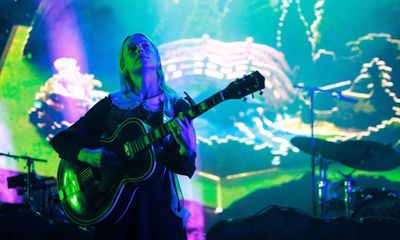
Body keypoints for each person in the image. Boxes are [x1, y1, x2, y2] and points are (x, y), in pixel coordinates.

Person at [50, 33, 197, 240]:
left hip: (158, 215)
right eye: (132, 48)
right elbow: (62, 140)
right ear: (124, 65)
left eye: (146, 46)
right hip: (115, 216)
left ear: (157, 58)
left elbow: (184, 167)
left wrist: (188, 149)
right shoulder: (112, 104)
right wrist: (87, 156)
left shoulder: (177, 106)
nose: (140, 50)